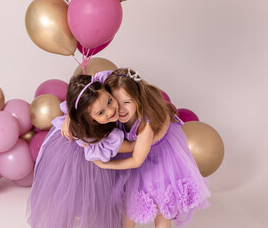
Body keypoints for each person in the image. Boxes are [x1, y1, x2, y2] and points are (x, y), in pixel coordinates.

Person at [94, 68, 211, 228]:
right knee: (128, 208)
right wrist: (68, 120)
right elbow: (84, 101)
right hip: (134, 160)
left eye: (127, 102)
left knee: (162, 208)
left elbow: (136, 160)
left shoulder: (146, 123)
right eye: (115, 101)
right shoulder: (111, 113)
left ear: (137, 100)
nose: (120, 109)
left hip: (159, 161)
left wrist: (105, 164)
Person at [27, 71, 133, 228]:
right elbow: (131, 147)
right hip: (77, 155)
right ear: (87, 118)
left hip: (84, 133)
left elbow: (128, 76)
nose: (111, 111)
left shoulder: (100, 86)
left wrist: (69, 116)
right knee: (76, 197)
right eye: (101, 112)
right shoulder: (104, 139)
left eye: (110, 101)